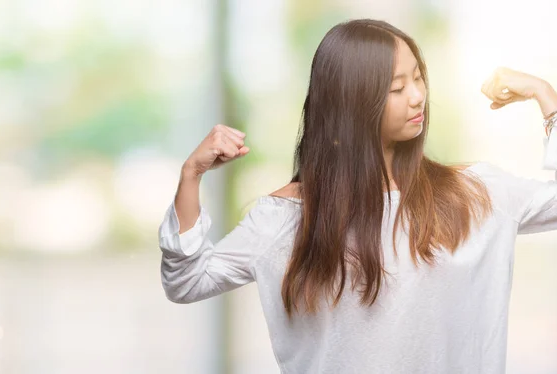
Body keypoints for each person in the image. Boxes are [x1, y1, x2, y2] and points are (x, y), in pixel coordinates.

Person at [158, 19, 557, 374]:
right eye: (397, 88)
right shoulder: (285, 218)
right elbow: (188, 282)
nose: (418, 96)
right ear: (350, 104)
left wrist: (546, 98)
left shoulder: (474, 193)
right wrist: (190, 175)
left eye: (418, 79)